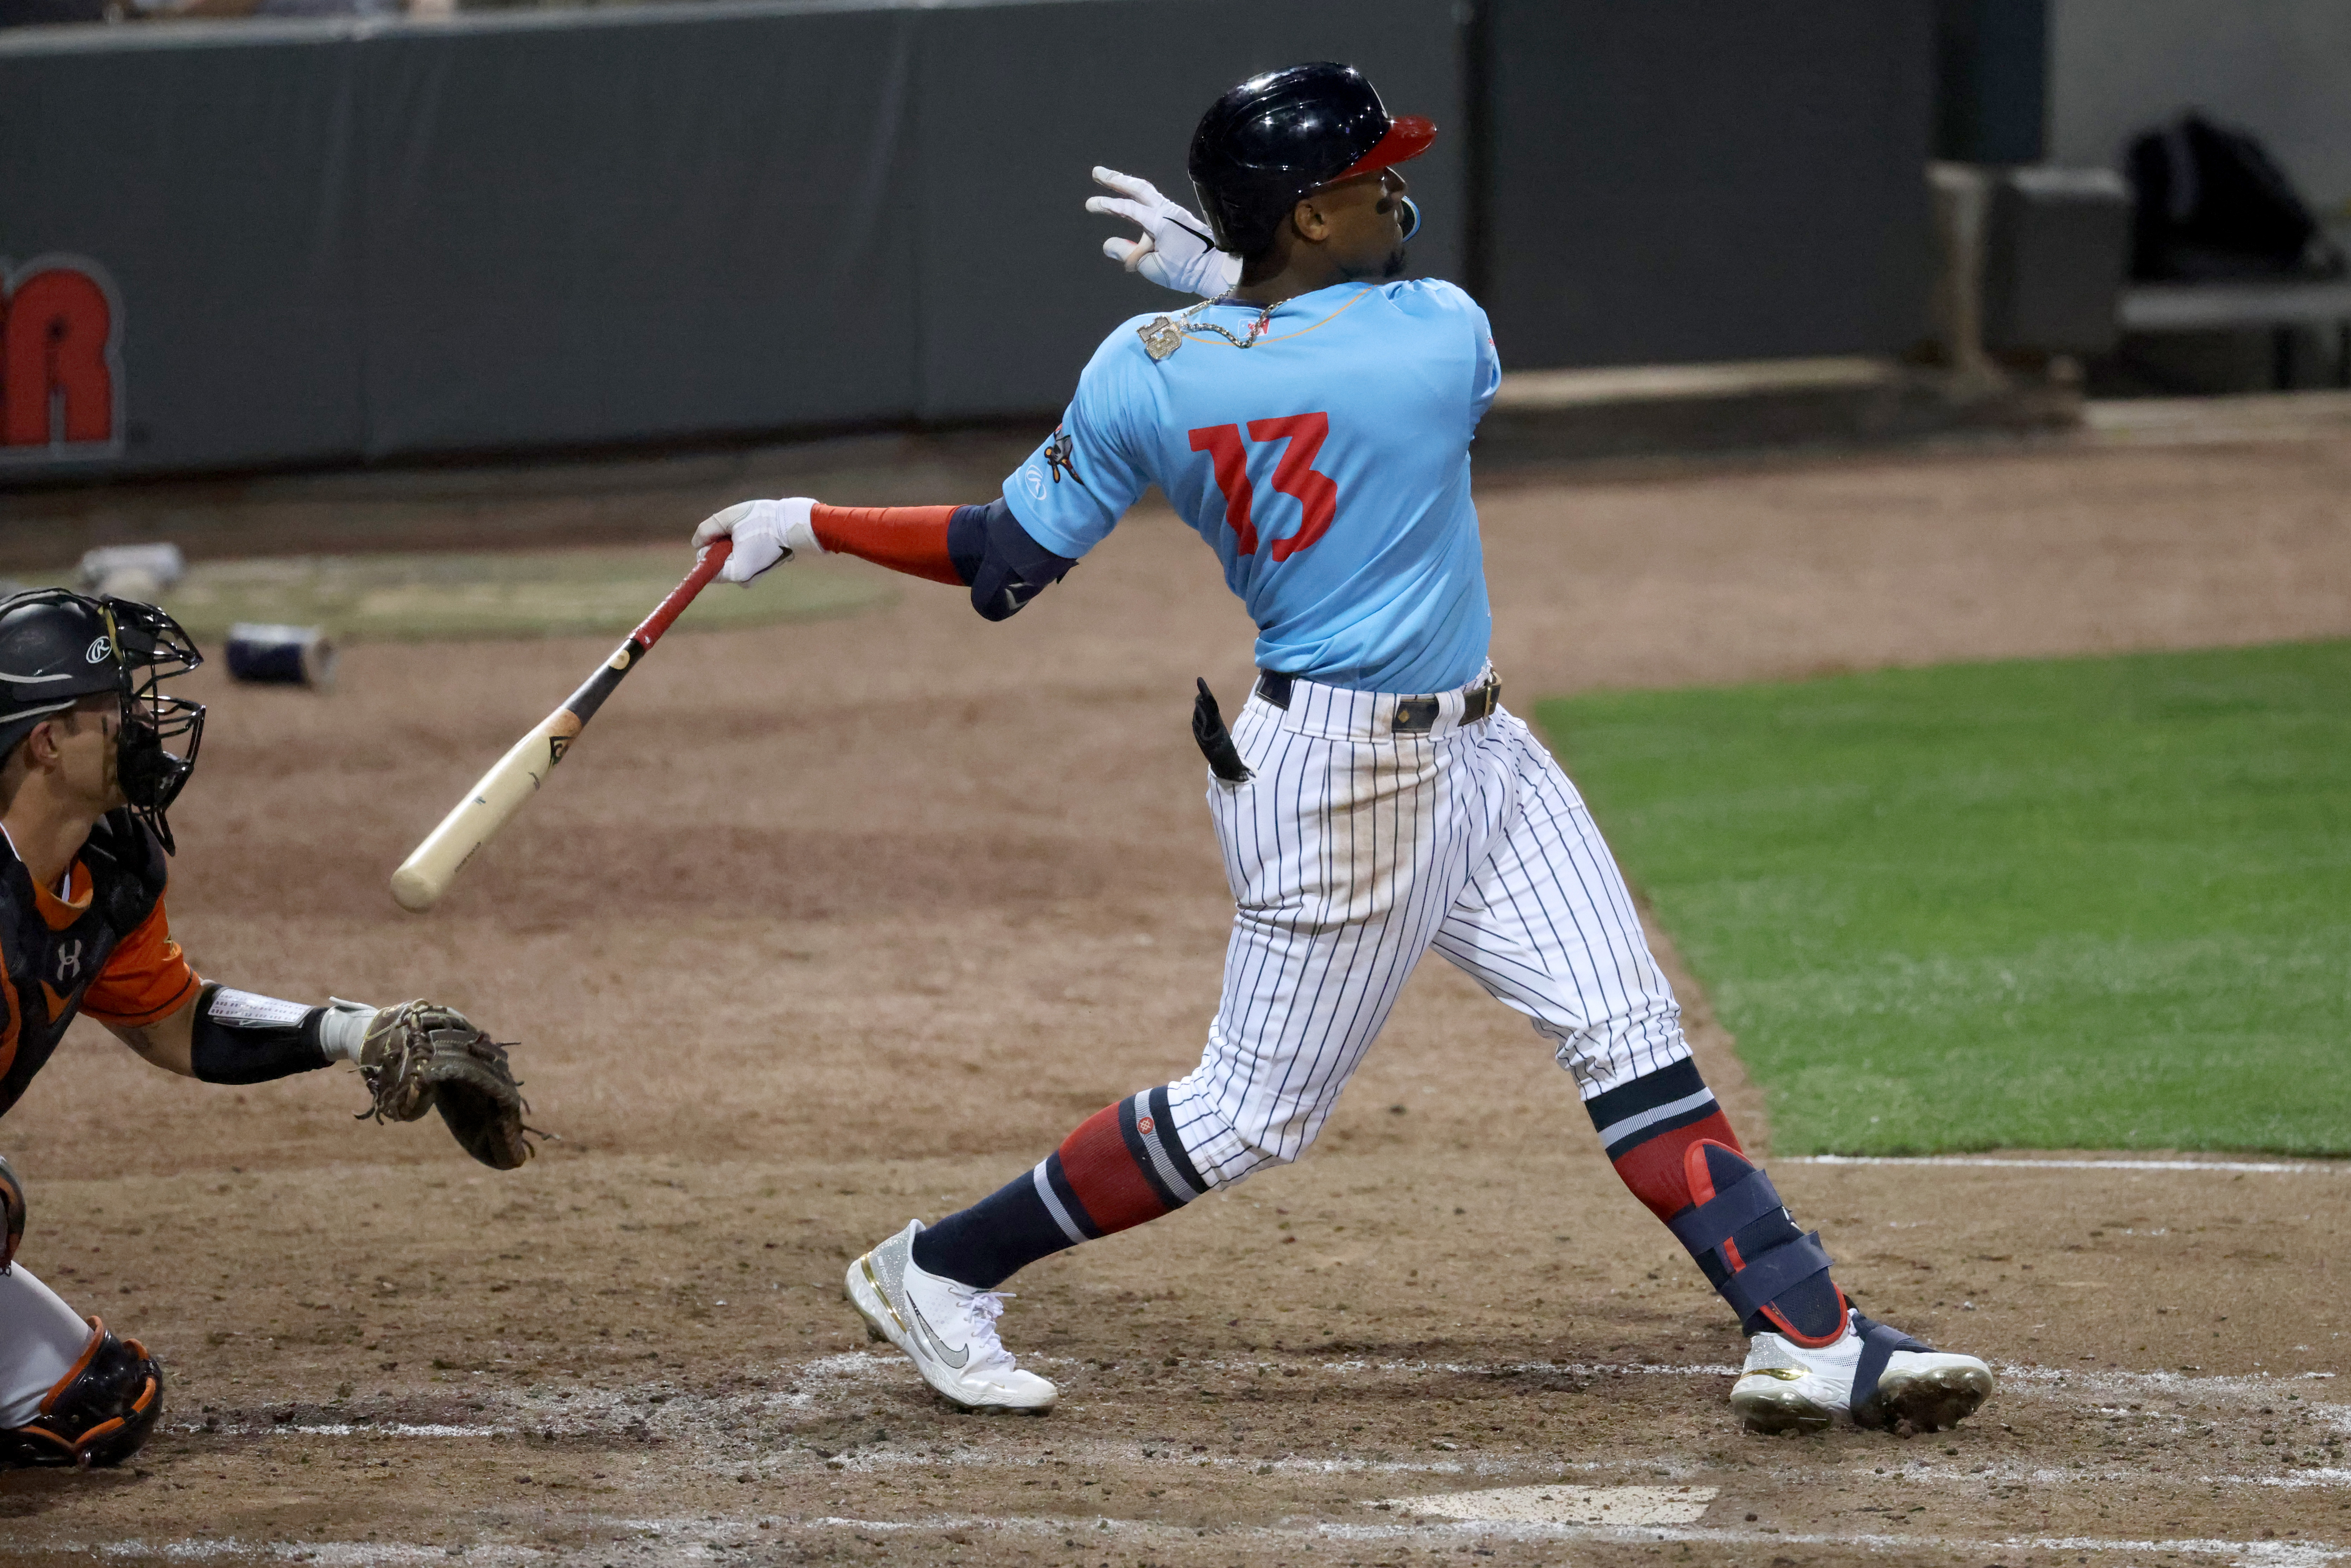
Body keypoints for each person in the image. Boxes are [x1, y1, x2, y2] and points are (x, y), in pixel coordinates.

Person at [691, 62, 1993, 1436]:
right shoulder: (1441, 333)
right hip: (1349, 787)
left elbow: (1000, 560)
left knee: (1625, 1032)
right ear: (1305, 221)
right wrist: (1218, 276)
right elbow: (1333, 357)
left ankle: (1806, 1332)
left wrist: (814, 517)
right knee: (1248, 1114)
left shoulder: (1141, 373)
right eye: (1370, 179)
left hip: (1478, 754)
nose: (1397, 194)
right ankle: (937, 1269)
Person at [0, 589, 528, 1469]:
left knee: (96, 1402)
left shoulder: (106, 867)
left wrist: (350, 1035)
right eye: (116, 707)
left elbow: (179, 1023)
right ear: (48, 741)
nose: (143, 723)